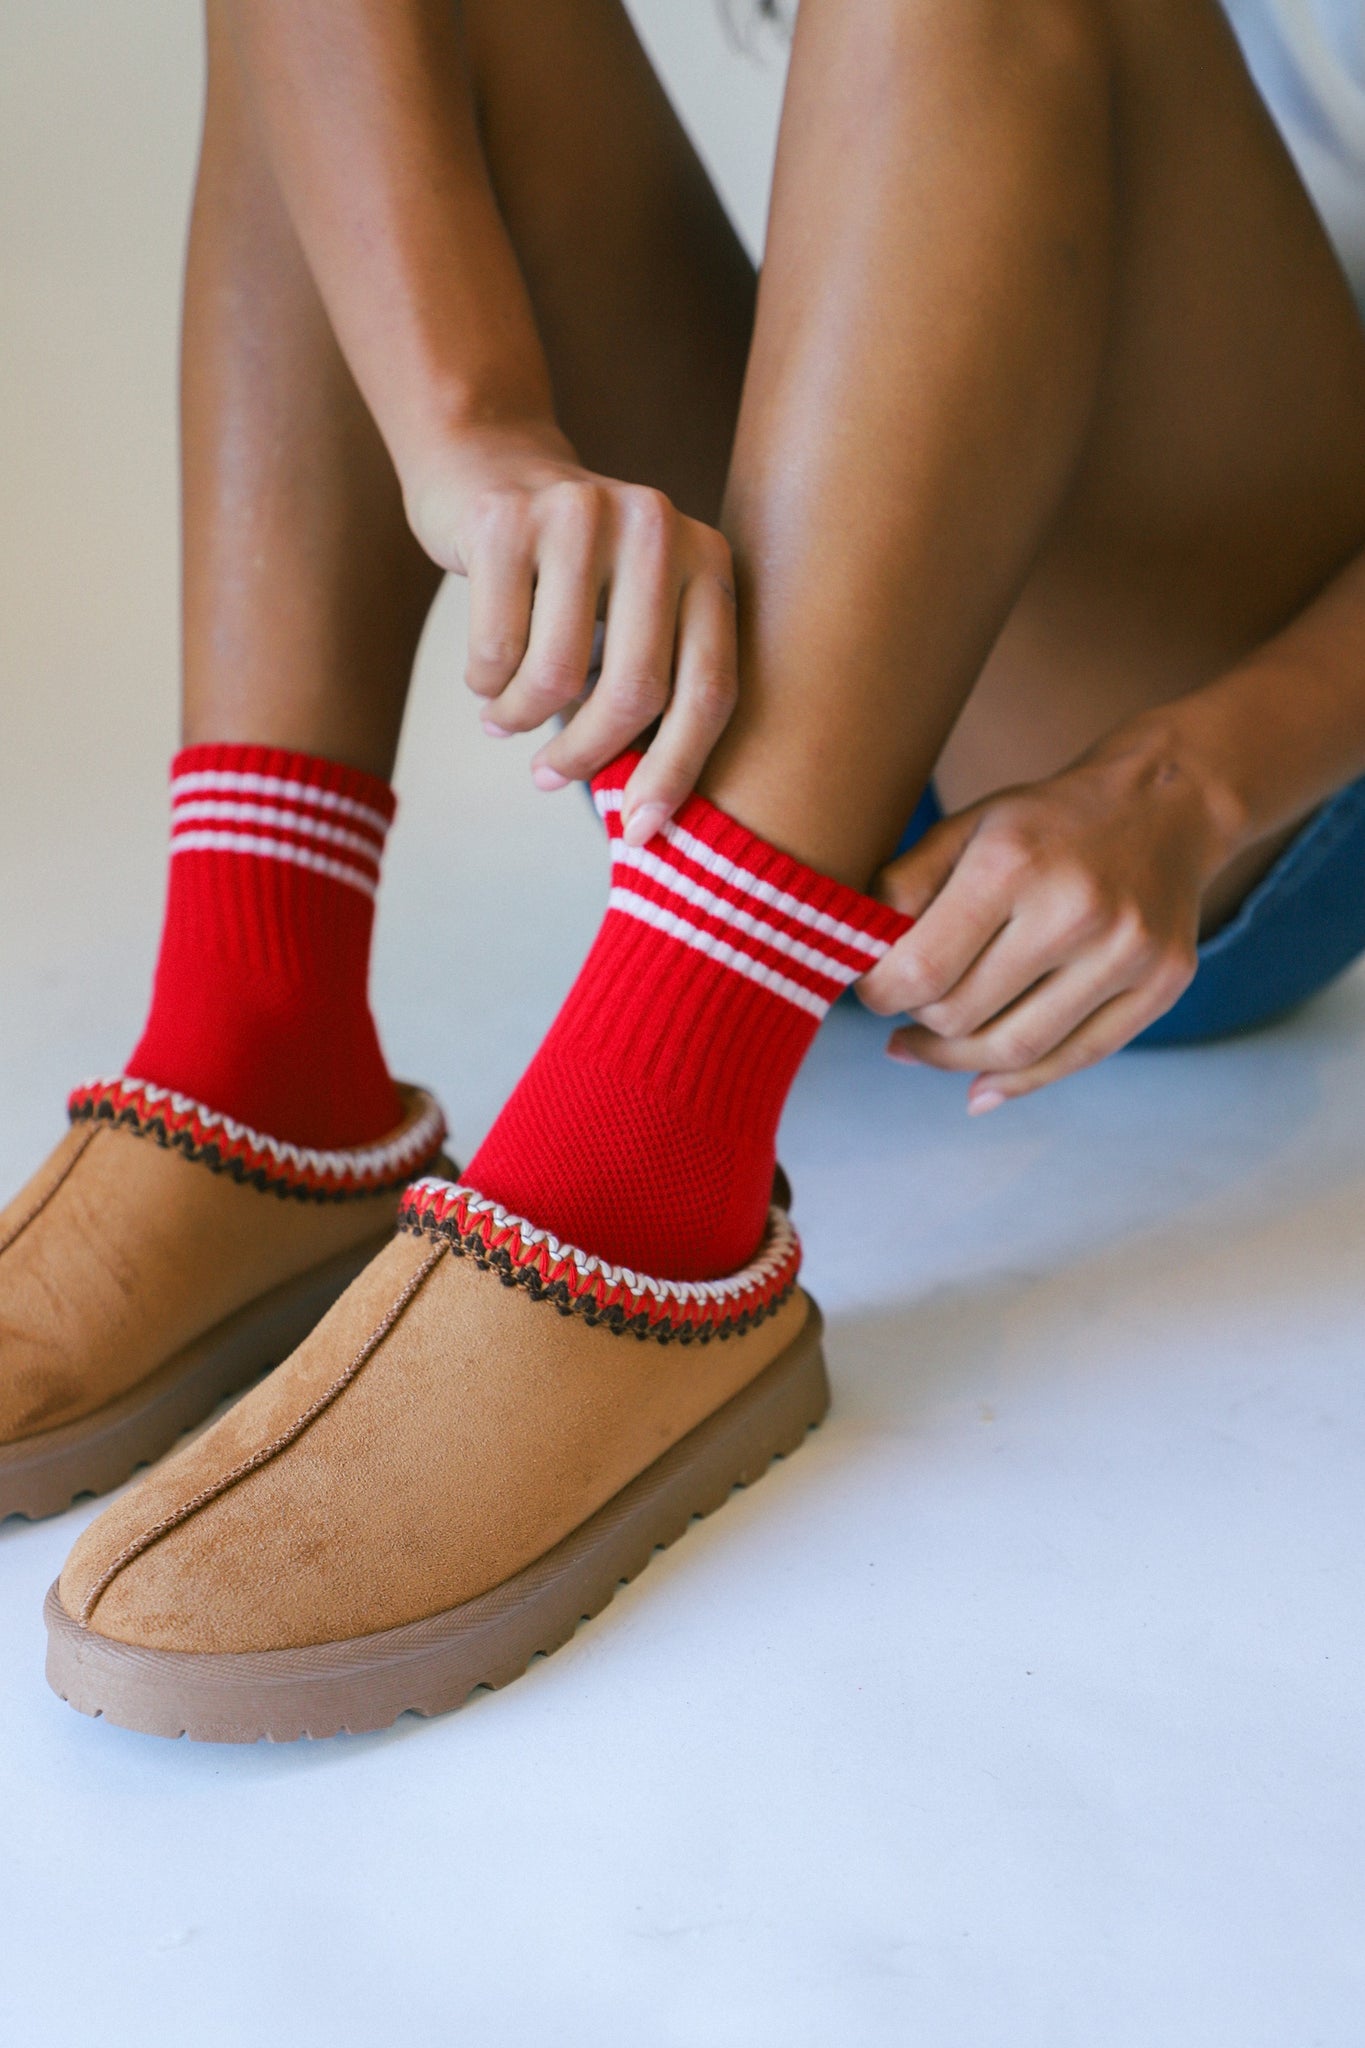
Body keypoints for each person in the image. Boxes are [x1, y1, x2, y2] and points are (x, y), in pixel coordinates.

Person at [11, 0, 1365, 1739]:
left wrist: (1188, 782)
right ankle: (257, 1042)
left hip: (1202, 769)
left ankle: (648, 1179)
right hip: (856, 601)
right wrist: (472, 434)